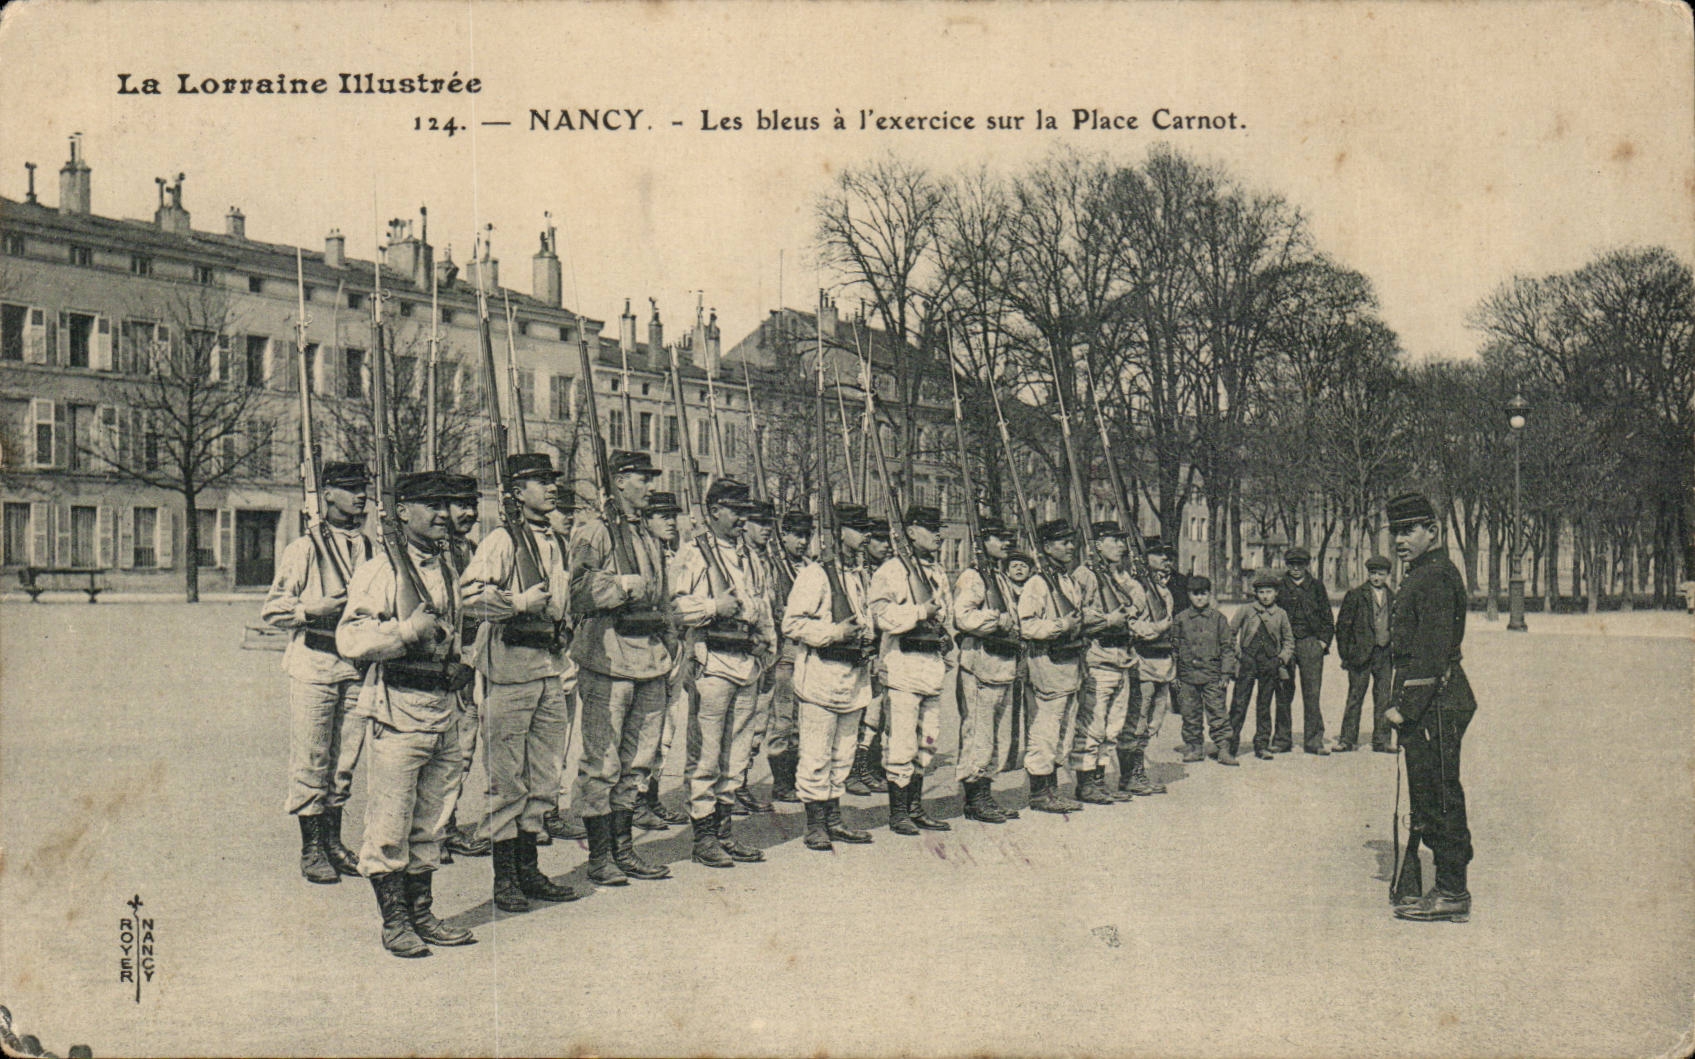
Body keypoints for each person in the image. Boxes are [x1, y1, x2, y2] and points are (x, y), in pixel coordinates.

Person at [337, 470, 479, 957]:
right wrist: (406, 633)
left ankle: (422, 912)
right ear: (401, 512)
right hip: (398, 708)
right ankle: (395, 921)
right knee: (390, 823)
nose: (443, 515)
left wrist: (459, 664)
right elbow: (351, 639)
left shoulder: (446, 564)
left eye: (446, 505)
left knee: (432, 821)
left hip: (443, 705)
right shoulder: (382, 570)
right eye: (430, 506)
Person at [460, 454, 586, 910]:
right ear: (516, 492)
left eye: (552, 481)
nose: (551, 489)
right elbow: (470, 597)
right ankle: (505, 879)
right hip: (509, 671)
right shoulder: (500, 540)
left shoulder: (556, 540)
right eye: (539, 482)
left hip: (549, 669)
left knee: (544, 776)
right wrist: (517, 603)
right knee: (506, 780)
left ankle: (530, 871)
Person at [567, 450, 676, 886]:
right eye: (642, 479)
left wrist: (671, 643)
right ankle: (599, 857)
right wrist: (618, 587)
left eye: (650, 479)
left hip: (649, 660)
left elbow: (662, 597)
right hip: (608, 659)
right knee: (602, 762)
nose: (649, 487)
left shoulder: (649, 536)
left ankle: (624, 849)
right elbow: (574, 592)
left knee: (638, 762)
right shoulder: (593, 531)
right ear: (619, 481)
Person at [261, 461, 373, 884]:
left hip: (355, 666)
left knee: (343, 761)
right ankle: (311, 849)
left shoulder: (368, 546)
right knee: (312, 759)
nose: (359, 496)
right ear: (326, 494)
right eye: (349, 488)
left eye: (362, 488)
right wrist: (310, 610)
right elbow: (274, 609)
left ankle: (333, 842)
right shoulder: (304, 548)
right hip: (315, 663)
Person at [674, 478, 777, 867]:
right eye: (734, 511)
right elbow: (677, 607)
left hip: (747, 662)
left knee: (736, 756)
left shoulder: (751, 556)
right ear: (714, 509)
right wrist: (714, 607)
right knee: (706, 754)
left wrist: (768, 648)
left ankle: (723, 832)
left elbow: (764, 605)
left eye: (745, 512)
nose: (741, 519)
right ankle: (703, 837)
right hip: (713, 661)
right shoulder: (693, 553)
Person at [1384, 492, 1477, 923]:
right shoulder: (1424, 571)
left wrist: (1405, 707)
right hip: (1431, 700)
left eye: (1409, 530)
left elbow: (1432, 653)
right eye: (1396, 532)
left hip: (1435, 701)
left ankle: (1452, 891)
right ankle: (1443, 886)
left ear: (1433, 531)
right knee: (1429, 790)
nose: (1400, 540)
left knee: (1439, 792)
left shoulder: (1435, 576)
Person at [782, 519, 876, 852]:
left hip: (853, 678)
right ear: (838, 533)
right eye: (858, 529)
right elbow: (792, 623)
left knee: (843, 754)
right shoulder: (815, 574)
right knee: (816, 755)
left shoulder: (860, 575)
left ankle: (834, 819)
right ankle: (815, 824)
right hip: (821, 676)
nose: (866, 536)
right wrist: (833, 634)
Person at [867, 506, 956, 833]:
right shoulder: (891, 570)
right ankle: (898, 812)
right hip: (903, 666)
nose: (938, 535)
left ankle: (916, 807)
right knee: (901, 741)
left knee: (928, 741)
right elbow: (882, 617)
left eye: (939, 528)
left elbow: (946, 614)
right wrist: (920, 612)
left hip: (931, 668)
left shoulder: (938, 572)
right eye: (931, 528)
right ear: (911, 531)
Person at [952, 517, 1024, 823]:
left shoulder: (1000, 576)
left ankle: (985, 793)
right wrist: (997, 620)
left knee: (996, 736)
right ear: (981, 542)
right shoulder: (973, 577)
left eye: (1007, 537)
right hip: (981, 665)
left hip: (1002, 665)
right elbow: (963, 617)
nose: (1005, 542)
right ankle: (975, 799)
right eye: (997, 537)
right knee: (978, 734)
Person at [438, 473, 492, 863]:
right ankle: (431, 833)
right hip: (441, 662)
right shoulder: (433, 553)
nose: (470, 513)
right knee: (439, 751)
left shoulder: (470, 548)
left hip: (471, 657)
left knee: (463, 750)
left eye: (473, 505)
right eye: (461, 505)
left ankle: (446, 827)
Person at [1018, 519, 1088, 813]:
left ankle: (1052, 789)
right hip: (1047, 663)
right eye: (1063, 543)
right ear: (1047, 547)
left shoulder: (1068, 580)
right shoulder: (1037, 583)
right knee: (1045, 729)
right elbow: (1027, 625)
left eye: (1071, 541)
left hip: (1069, 665)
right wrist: (1062, 625)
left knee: (1064, 730)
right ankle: (1039, 793)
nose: (1070, 547)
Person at [1070, 522, 1140, 804]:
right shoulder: (1084, 575)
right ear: (1097, 544)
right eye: (1113, 540)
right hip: (1098, 656)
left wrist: (1130, 607)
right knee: (1092, 725)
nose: (1121, 546)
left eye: (1122, 541)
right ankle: (1085, 782)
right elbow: (1077, 613)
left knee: (1113, 728)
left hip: (1122, 658)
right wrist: (1107, 619)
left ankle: (1099, 779)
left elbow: (1140, 601)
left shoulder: (1121, 575)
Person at [634, 491, 689, 830]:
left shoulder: (677, 554)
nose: (670, 521)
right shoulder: (639, 555)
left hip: (675, 648)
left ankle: (651, 797)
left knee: (666, 730)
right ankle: (636, 802)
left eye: (673, 515)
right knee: (644, 730)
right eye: (661, 515)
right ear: (646, 520)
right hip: (648, 647)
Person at [762, 510, 812, 805]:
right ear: (785, 536)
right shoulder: (775, 568)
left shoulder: (809, 568)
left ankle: (793, 778)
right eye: (797, 535)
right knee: (782, 719)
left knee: (801, 720)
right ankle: (781, 782)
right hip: (784, 653)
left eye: (806, 536)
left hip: (806, 652)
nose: (802, 541)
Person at [733, 499, 779, 815]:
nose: (766, 530)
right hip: (742, 651)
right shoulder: (736, 558)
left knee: (756, 724)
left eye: (768, 524)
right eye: (759, 523)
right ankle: (730, 788)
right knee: (735, 725)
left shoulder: (763, 560)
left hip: (764, 653)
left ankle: (740, 781)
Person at [1122, 538, 1177, 796]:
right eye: (1159, 555)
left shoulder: (1165, 591)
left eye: (1168, 557)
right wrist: (1156, 629)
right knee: (1138, 719)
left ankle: (1136, 772)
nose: (1166, 560)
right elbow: (1131, 623)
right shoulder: (1137, 588)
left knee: (1155, 720)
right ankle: (1132, 775)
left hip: (1163, 664)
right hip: (1143, 662)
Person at [1227, 570, 1296, 760]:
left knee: (1264, 705)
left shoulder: (1281, 614)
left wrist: (1282, 658)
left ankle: (1262, 744)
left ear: (1276, 594)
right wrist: (1238, 653)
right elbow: (1230, 633)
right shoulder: (1246, 610)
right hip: (1247, 662)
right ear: (1255, 593)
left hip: (1270, 664)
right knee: (1239, 703)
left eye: (1269, 592)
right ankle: (1229, 745)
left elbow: (1289, 640)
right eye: (1262, 592)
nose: (1265, 596)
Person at [1170, 575, 1238, 765]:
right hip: (1187, 676)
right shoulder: (1181, 619)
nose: (1199, 598)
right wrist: (1174, 674)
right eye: (1195, 594)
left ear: (1209, 594)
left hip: (1212, 675)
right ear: (1189, 595)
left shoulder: (1219, 619)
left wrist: (1226, 673)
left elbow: (1227, 647)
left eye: (1203, 593)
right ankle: (1194, 747)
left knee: (1217, 712)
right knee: (1190, 714)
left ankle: (1223, 748)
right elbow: (1174, 648)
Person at [1276, 546, 1336, 755]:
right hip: (1287, 645)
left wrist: (1322, 643)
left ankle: (1313, 740)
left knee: (1312, 693)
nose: (1295, 569)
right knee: (1284, 692)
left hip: (1310, 643)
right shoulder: (1280, 587)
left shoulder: (1317, 587)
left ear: (1306, 565)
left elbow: (1328, 618)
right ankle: (1282, 739)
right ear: (1287, 565)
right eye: (1292, 565)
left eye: (1300, 565)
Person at [1335, 555, 1396, 753]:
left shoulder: (1393, 597)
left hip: (1384, 654)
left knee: (1384, 698)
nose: (1376, 577)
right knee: (1355, 696)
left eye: (1381, 573)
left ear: (1387, 575)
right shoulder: (1355, 595)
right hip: (1360, 656)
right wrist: (1346, 654)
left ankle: (1382, 740)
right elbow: (1343, 627)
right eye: (1373, 573)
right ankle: (1347, 739)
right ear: (1367, 573)